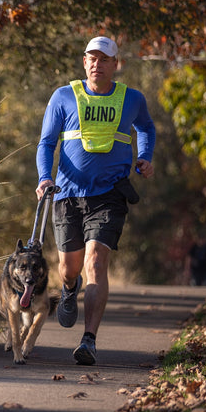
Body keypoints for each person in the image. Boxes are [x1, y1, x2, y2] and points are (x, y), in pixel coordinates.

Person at [35, 36, 156, 365]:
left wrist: (145, 156)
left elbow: (146, 127)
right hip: (68, 195)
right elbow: (46, 143)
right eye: (92, 58)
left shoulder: (132, 99)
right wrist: (45, 177)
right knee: (69, 267)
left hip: (110, 195)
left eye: (104, 59)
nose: (96, 64)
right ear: (84, 61)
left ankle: (89, 340)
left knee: (96, 263)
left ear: (116, 64)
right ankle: (69, 288)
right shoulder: (63, 97)